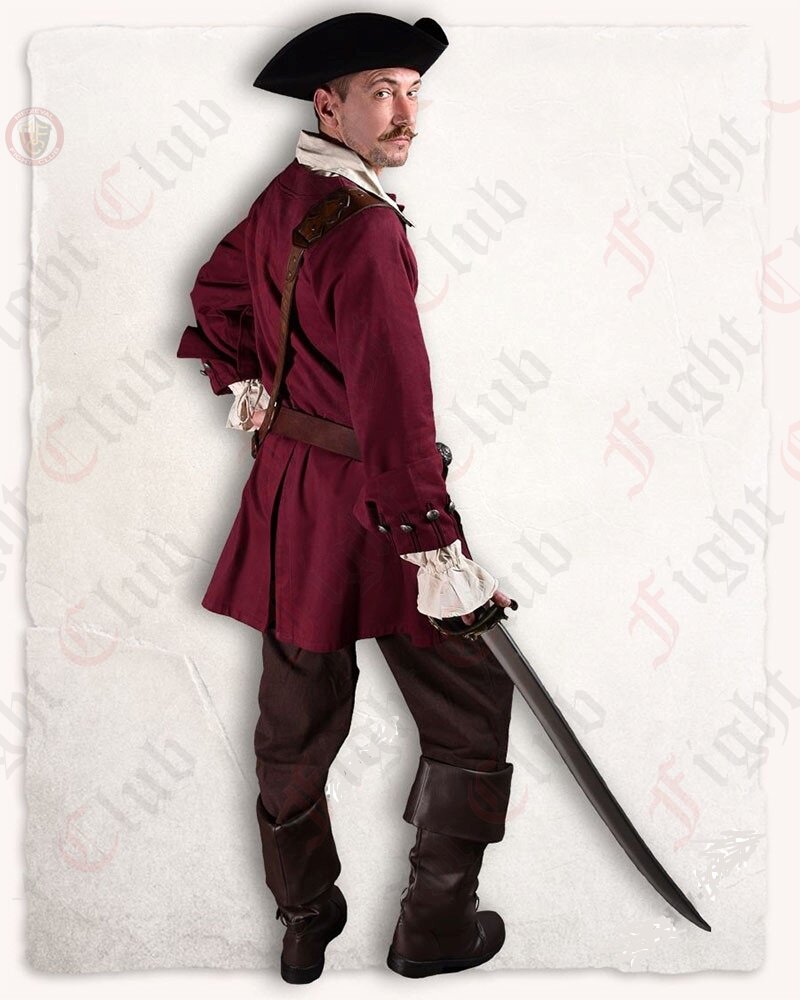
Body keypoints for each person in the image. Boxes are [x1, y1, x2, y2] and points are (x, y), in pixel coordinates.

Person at [177, 12, 516, 983]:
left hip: (290, 496)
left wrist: (258, 385)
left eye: (412, 92)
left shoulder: (289, 192)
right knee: (470, 701)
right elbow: (394, 400)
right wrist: (432, 546)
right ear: (327, 104)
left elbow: (215, 295)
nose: (406, 113)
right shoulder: (363, 227)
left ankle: (302, 917)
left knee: (294, 717)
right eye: (381, 92)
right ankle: (434, 929)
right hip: (375, 505)